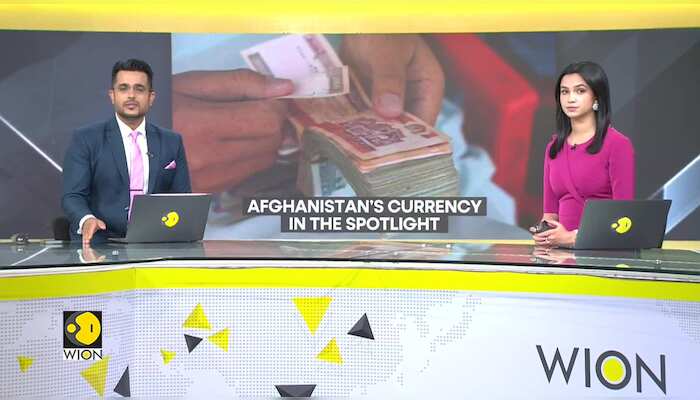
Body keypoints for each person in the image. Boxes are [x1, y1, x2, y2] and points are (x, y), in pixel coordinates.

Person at [62, 59, 192, 244]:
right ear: (112, 95)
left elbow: (182, 199)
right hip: (100, 241)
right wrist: (87, 220)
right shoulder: (86, 139)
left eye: (139, 89)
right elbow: (73, 196)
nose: (131, 95)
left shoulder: (172, 141)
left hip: (155, 242)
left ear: (151, 97)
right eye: (123, 88)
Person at [531, 61, 635, 248]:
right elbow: (550, 215)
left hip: (603, 253)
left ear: (596, 97)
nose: (570, 98)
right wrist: (544, 234)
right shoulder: (553, 147)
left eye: (580, 91)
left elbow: (624, 218)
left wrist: (573, 238)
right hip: (560, 255)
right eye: (564, 92)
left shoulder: (618, 145)